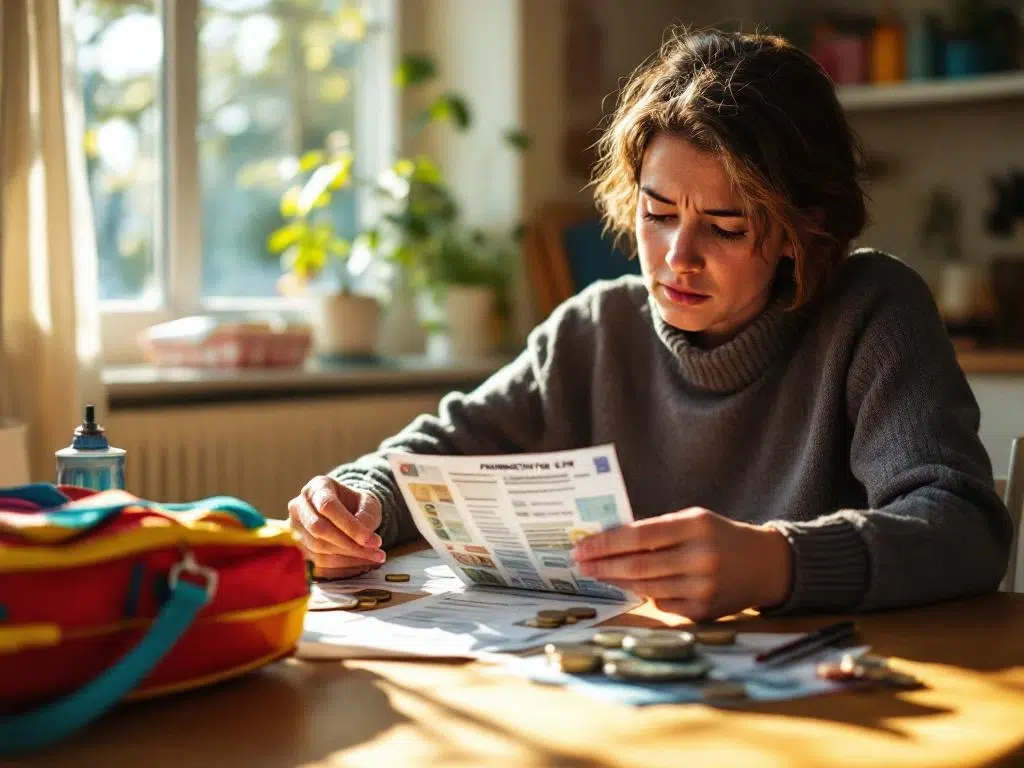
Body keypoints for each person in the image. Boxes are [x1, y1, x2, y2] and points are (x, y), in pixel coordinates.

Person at [288, 28, 1011, 620]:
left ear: (802, 228)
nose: (677, 258)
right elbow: (433, 456)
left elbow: (965, 527)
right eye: (657, 214)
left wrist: (775, 562)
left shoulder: (872, 311)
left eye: (725, 227)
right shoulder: (594, 331)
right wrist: (358, 502)